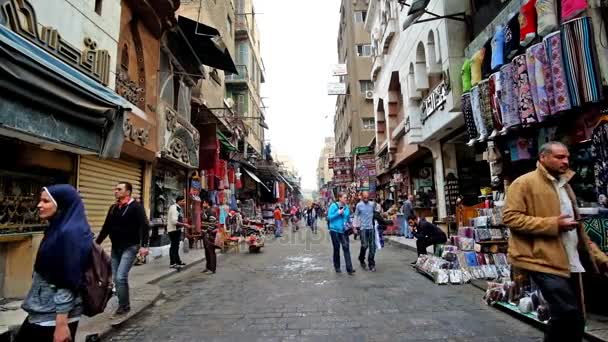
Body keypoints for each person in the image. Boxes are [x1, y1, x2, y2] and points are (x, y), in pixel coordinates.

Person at [503, 141, 608, 342]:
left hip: (569, 257)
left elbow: (578, 230)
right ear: (543, 158)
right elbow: (510, 218)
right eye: (559, 157)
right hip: (540, 258)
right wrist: (553, 224)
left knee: (574, 317)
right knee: (566, 311)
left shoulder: (565, 186)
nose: (565, 161)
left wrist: (599, 257)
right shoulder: (523, 183)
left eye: (567, 157)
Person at [16, 185, 92, 342]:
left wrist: (61, 324)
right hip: (45, 311)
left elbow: (67, 281)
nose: (39, 205)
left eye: (46, 201)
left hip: (53, 315)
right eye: (40, 200)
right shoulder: (58, 228)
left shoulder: (69, 233)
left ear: (61, 204)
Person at [96, 182, 149, 316]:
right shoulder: (113, 208)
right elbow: (106, 227)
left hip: (130, 246)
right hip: (116, 248)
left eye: (119, 189)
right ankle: (124, 303)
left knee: (120, 277)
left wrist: (144, 246)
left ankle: (124, 305)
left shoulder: (136, 207)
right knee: (116, 278)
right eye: (115, 189)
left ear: (128, 192)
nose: (115, 191)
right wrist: (96, 243)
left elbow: (144, 226)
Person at [327, 193, 355, 275]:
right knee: (336, 248)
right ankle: (337, 267)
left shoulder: (347, 208)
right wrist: (338, 213)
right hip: (334, 230)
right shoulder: (333, 206)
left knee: (346, 248)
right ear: (340, 198)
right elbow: (329, 217)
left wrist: (353, 227)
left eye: (347, 197)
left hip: (344, 231)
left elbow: (348, 218)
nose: (346, 199)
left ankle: (349, 268)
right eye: (345, 197)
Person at [355, 192, 377, 271]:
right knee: (364, 245)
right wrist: (355, 227)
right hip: (363, 228)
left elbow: (375, 213)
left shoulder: (372, 204)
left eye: (367, 197)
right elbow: (356, 216)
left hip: (371, 228)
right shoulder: (358, 205)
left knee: (373, 247)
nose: (366, 199)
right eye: (364, 197)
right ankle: (361, 258)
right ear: (361, 197)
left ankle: (371, 263)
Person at [167, 196, 189, 268]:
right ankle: (172, 263)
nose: (184, 203)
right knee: (174, 246)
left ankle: (178, 261)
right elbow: (174, 221)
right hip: (173, 230)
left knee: (176, 246)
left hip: (177, 230)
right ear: (178, 201)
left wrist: (183, 221)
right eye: (183, 201)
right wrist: (184, 224)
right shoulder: (174, 208)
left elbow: (178, 218)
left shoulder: (178, 208)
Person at [201, 201, 217, 274]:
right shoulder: (206, 211)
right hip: (205, 233)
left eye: (204, 203)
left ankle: (212, 269)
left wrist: (207, 232)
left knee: (211, 251)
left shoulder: (211, 211)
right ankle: (208, 267)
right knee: (207, 251)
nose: (203, 204)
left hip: (209, 234)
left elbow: (212, 224)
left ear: (207, 203)